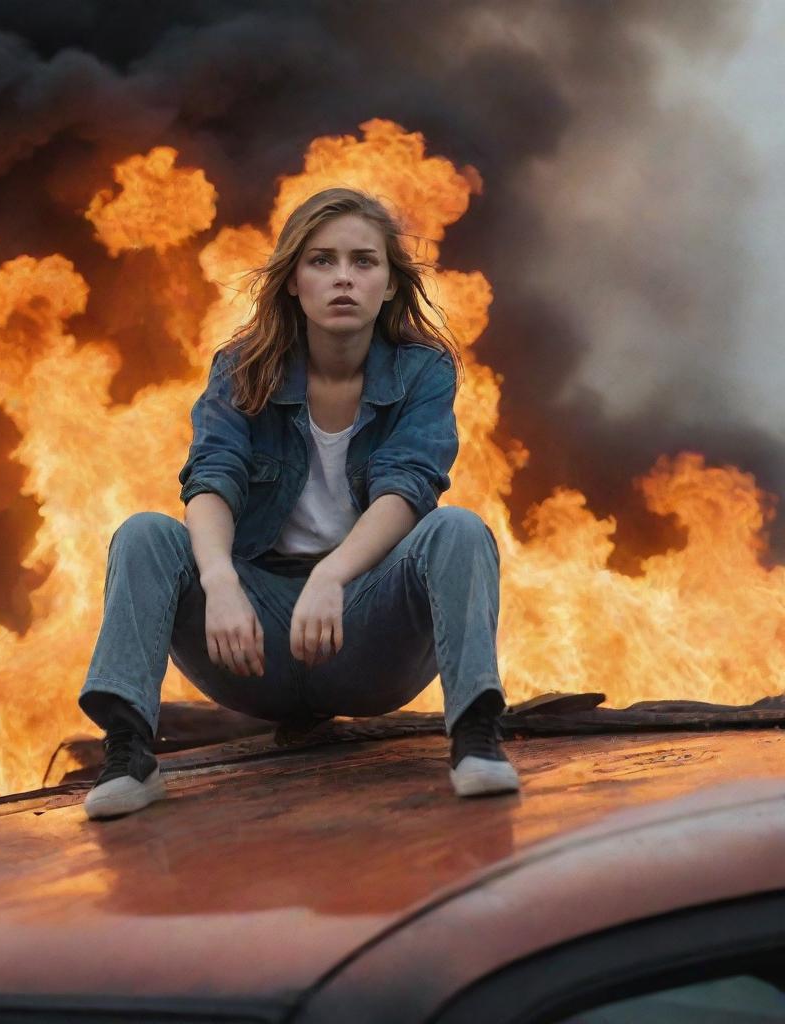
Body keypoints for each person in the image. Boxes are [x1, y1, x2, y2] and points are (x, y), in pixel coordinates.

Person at [78, 186, 520, 819]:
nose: (344, 278)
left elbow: (410, 485)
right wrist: (221, 577)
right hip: (252, 642)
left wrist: (334, 574)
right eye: (322, 261)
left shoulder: (423, 372)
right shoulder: (243, 367)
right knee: (144, 533)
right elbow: (212, 476)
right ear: (292, 281)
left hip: (364, 630)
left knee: (459, 529)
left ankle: (475, 739)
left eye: (364, 262)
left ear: (391, 283)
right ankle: (127, 754)